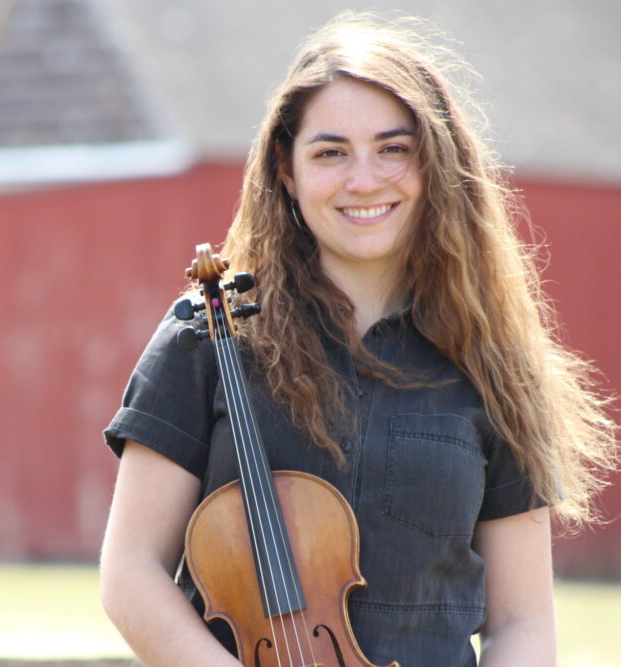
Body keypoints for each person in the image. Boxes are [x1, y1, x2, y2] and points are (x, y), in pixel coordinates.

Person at [98, 11, 617, 667]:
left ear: (436, 165)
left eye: (394, 148)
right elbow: (131, 571)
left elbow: (522, 622)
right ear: (286, 170)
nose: (364, 179)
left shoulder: (494, 365)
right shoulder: (209, 336)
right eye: (330, 152)